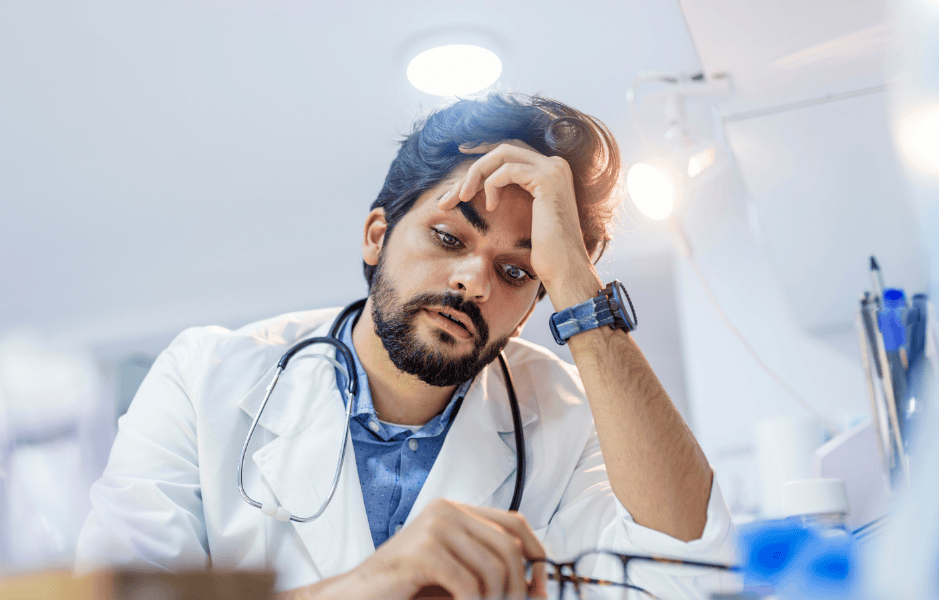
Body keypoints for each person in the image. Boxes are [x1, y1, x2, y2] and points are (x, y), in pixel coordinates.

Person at [75, 93, 734, 599]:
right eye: (450, 238)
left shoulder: (572, 413)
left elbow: (690, 581)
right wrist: (369, 586)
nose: (474, 279)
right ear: (375, 236)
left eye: (517, 272)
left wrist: (578, 288)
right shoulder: (203, 379)